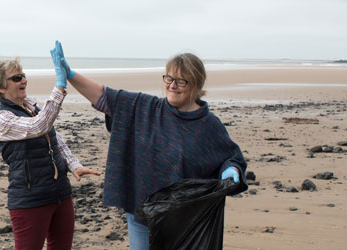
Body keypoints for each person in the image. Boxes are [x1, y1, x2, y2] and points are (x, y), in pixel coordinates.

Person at [48, 41, 248, 250]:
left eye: (181, 81)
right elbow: (105, 97)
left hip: (187, 223)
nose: (171, 85)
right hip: (142, 214)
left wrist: (231, 169)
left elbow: (230, 157)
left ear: (196, 84)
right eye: (169, 78)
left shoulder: (209, 125)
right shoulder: (146, 108)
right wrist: (70, 74)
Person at [0, 55, 100, 250]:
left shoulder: (32, 107)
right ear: (1, 87)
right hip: (30, 200)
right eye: (16, 78)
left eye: (23, 75)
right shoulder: (2, 118)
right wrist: (59, 86)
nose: (23, 80)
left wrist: (74, 164)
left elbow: (55, 139)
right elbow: (38, 126)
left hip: (60, 194)